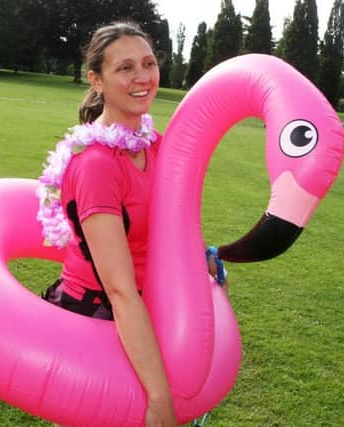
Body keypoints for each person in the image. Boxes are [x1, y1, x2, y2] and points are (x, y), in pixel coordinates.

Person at [37, 22, 227, 427]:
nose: (142, 77)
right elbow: (119, 289)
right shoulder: (95, 166)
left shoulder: (157, 145)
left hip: (154, 305)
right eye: (125, 68)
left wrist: (200, 262)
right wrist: (158, 399)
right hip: (99, 314)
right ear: (97, 80)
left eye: (148, 63)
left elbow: (172, 230)